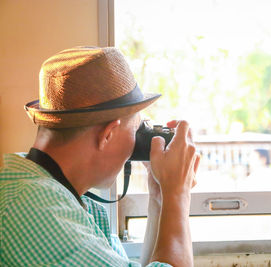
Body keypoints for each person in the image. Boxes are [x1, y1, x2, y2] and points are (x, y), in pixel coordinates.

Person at [0, 46, 200, 267]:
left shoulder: (70, 202)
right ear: (108, 134)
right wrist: (178, 194)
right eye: (136, 129)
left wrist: (161, 198)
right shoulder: (35, 208)